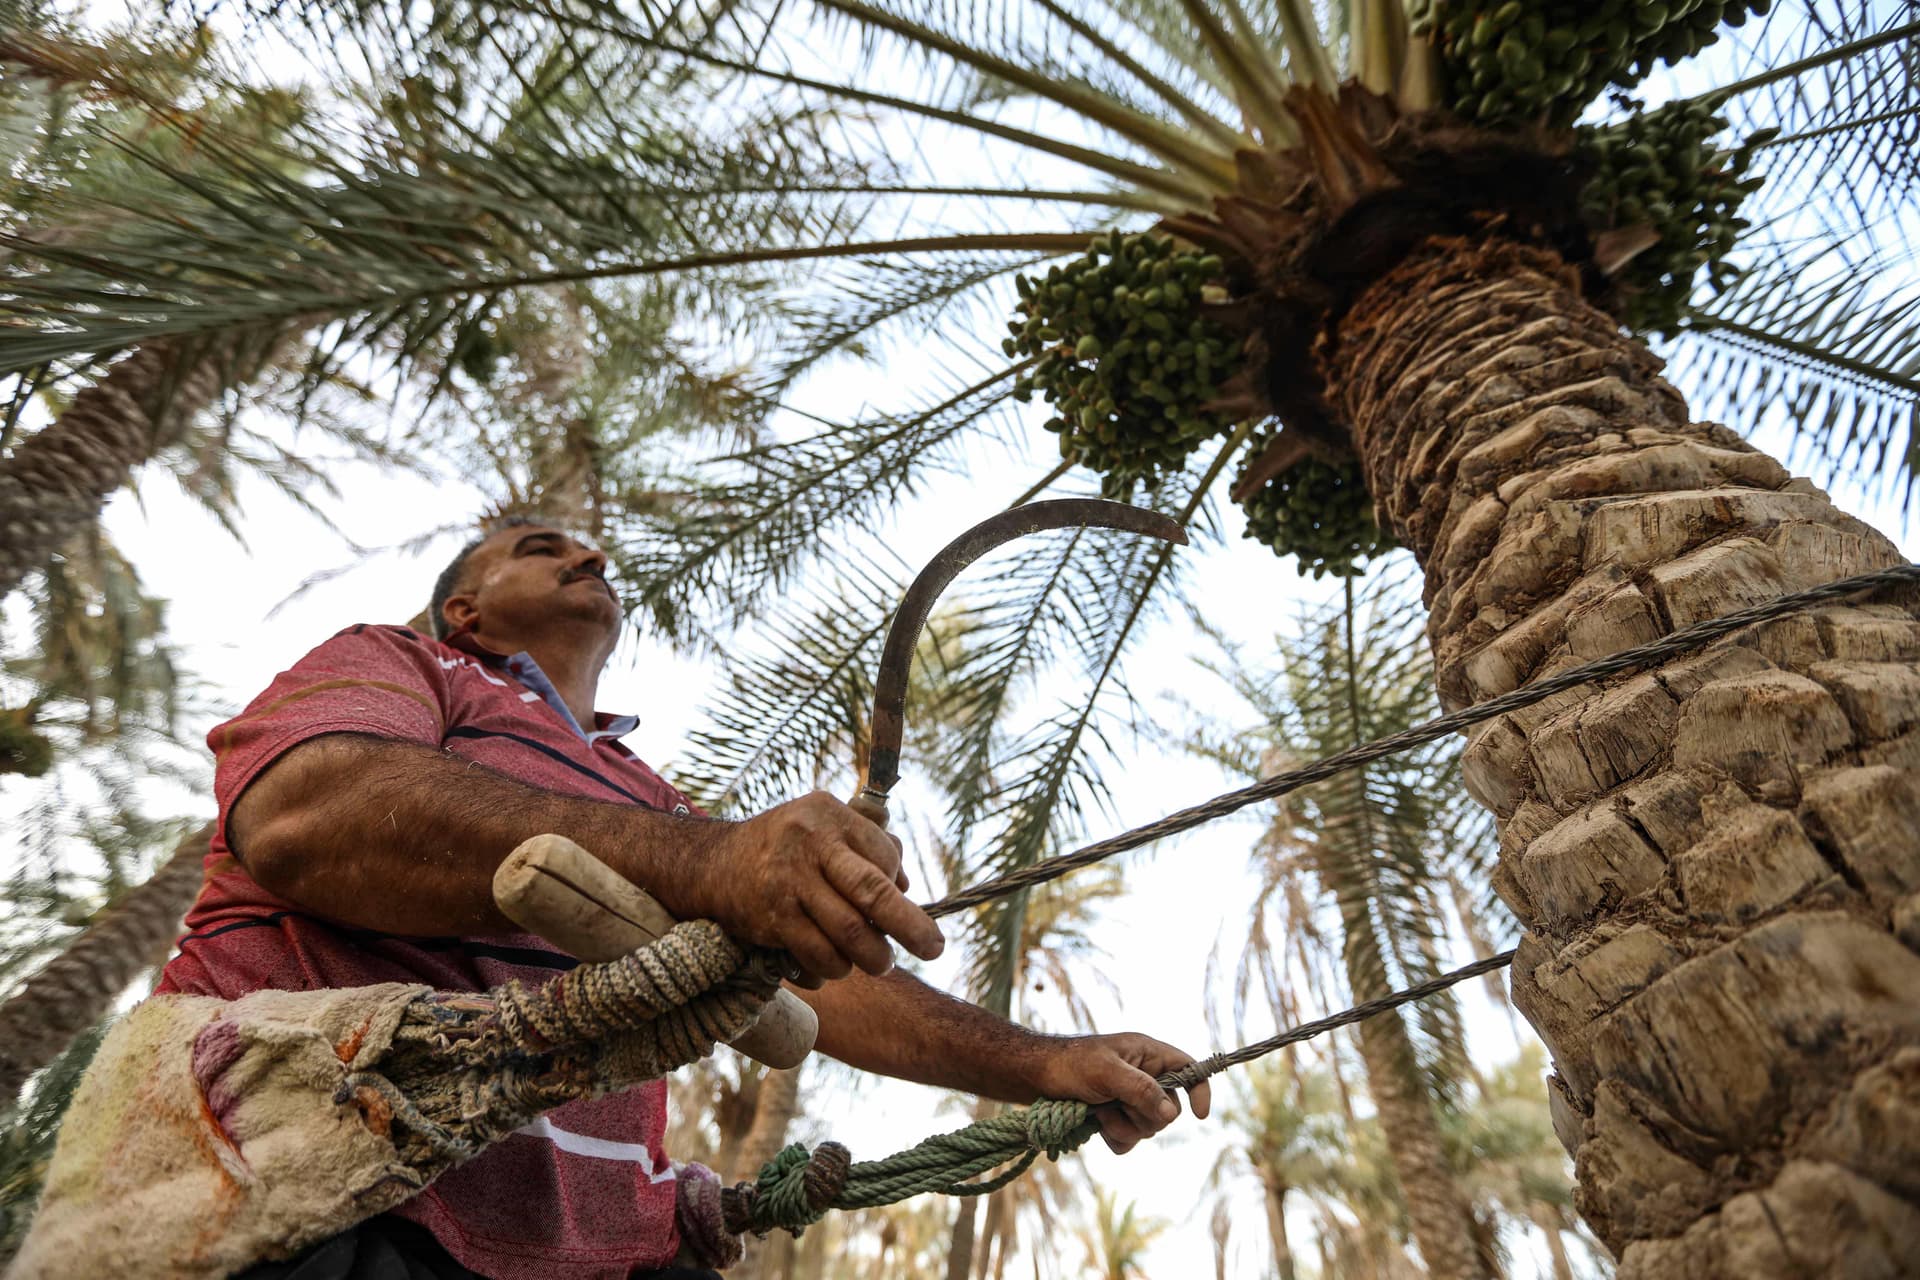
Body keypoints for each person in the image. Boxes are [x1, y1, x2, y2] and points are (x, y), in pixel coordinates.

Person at [158, 517, 1210, 1280]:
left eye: (592, 551)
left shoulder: (660, 803)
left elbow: (814, 980)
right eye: (539, 545)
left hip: (597, 1247)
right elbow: (308, 811)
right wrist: (709, 864)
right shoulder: (398, 662)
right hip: (301, 1186)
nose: (589, 556)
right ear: (463, 610)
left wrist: (1048, 1063)